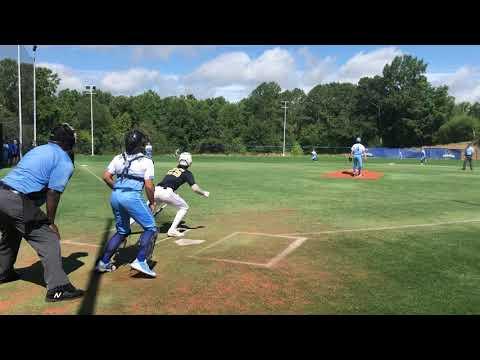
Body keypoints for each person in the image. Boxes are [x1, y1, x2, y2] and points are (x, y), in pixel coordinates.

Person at [0, 123, 84, 302]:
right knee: (49, 239)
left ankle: (2, 273)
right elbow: (53, 192)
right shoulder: (64, 160)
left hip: (2, 193)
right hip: (16, 200)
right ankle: (58, 288)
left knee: (11, 234)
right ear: (69, 142)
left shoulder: (38, 150)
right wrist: (50, 221)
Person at [96, 130, 158, 277]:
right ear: (140, 145)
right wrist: (152, 202)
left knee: (123, 230)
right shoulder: (146, 161)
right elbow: (149, 186)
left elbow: (106, 176)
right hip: (132, 197)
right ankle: (140, 260)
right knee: (151, 228)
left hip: (116, 196)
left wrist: (117, 188)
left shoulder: (118, 157)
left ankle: (103, 263)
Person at [154, 152, 209, 237]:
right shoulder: (187, 173)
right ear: (189, 162)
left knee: (146, 210)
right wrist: (204, 193)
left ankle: (128, 224)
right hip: (167, 193)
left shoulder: (172, 170)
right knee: (184, 207)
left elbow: (169, 182)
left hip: (156, 191)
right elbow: (195, 189)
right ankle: (172, 230)